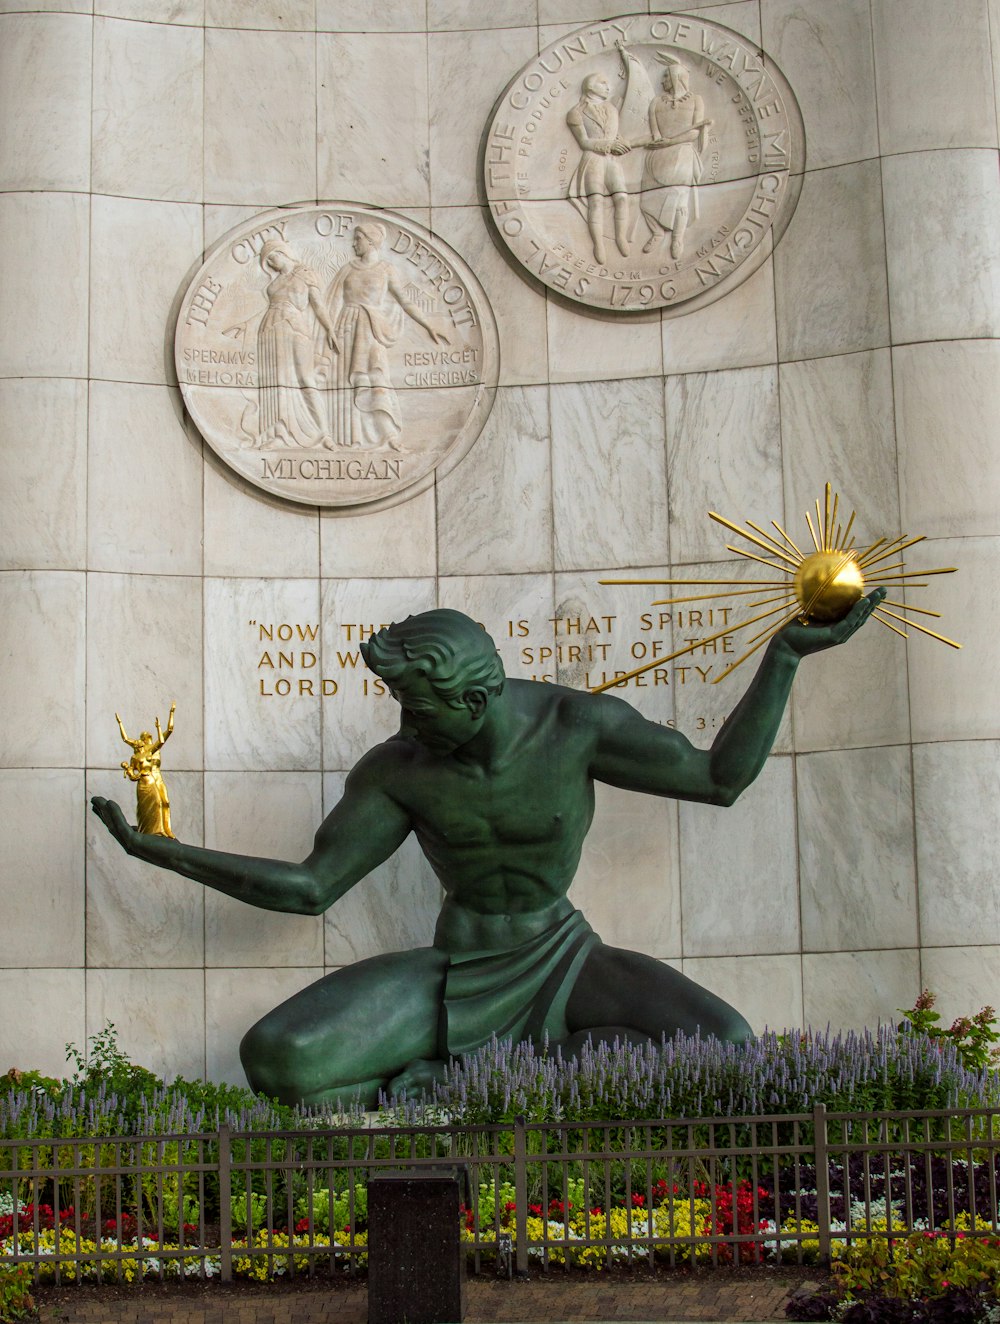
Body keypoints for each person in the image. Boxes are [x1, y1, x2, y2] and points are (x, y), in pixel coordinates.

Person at [92, 594, 883, 1107]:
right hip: (457, 970)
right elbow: (309, 887)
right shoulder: (399, 771)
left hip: (566, 961)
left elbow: (720, 779)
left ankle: (460, 1086)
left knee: (730, 1046)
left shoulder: (577, 728)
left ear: (475, 699)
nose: (405, 723)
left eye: (418, 705)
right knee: (277, 1059)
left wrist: (783, 658)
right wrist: (162, 851)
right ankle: (502, 1081)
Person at [324, 222, 449, 450]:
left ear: (370, 241)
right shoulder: (347, 269)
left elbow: (405, 301)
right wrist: (329, 331)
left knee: (376, 377)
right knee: (346, 382)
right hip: (346, 328)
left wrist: (429, 325)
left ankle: (389, 435)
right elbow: (331, 303)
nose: (354, 243)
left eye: (358, 239)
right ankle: (354, 438)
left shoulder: (386, 269)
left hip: (371, 328)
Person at [255, 239, 338, 449]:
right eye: (268, 262)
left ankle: (324, 434)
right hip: (270, 329)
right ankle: (279, 431)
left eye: (272, 257)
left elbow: (318, 305)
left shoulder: (305, 273)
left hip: (295, 326)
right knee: (276, 381)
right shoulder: (274, 282)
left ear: (282, 252)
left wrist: (330, 329)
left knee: (305, 378)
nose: (271, 264)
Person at [639, 56, 711, 259]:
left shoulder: (696, 100)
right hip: (658, 155)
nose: (662, 82)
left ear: (676, 77)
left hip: (682, 153)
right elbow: (655, 132)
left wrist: (670, 142)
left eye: (665, 77)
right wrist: (658, 141)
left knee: (679, 199)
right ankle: (656, 232)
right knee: (645, 200)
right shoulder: (656, 102)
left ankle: (677, 237)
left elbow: (694, 132)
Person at [566, 73, 633, 265]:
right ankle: (598, 244)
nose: (608, 87)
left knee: (621, 197)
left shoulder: (612, 109)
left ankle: (621, 237)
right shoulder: (576, 112)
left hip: (612, 160)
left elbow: (615, 134)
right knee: (596, 201)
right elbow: (583, 141)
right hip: (593, 159)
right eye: (603, 83)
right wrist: (607, 145)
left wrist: (620, 143)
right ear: (590, 86)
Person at [115, 704, 176, 839]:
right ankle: (149, 830)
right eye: (144, 737)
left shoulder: (153, 749)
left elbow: (167, 733)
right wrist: (120, 723)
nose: (145, 738)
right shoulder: (138, 755)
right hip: (145, 779)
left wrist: (171, 713)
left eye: (147, 736)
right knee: (148, 805)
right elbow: (126, 739)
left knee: (163, 802)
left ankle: (165, 830)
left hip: (156, 777)